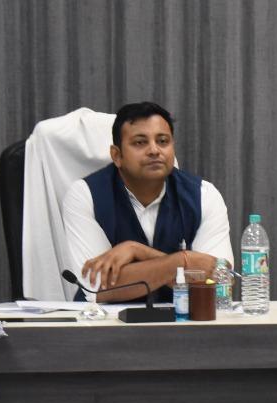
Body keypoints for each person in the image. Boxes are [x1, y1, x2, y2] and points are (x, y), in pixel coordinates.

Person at [60, 101, 232, 303]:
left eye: (163, 141)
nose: (154, 150)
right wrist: (183, 261)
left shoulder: (204, 195)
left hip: (184, 319)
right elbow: (97, 286)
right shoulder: (85, 195)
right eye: (140, 142)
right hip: (105, 320)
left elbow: (220, 281)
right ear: (117, 155)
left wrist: (137, 250)